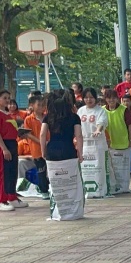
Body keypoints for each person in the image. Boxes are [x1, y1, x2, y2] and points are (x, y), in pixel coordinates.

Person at [40, 89, 85, 220]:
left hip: (52, 151)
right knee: (71, 182)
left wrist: (43, 151)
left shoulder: (48, 117)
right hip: (68, 150)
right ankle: (73, 211)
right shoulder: (74, 117)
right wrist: (80, 153)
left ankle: (58, 212)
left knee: (56, 183)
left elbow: (42, 134)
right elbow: (79, 136)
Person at [0, 89, 24, 211]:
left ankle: (11, 197)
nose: (7, 100)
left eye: (8, 98)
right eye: (5, 98)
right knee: (2, 173)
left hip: (12, 143)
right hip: (2, 144)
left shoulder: (7, 113)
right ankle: (0, 200)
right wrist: (4, 149)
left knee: (12, 171)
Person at [77, 88, 111, 199]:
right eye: (86, 97)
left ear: (95, 98)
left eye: (91, 97)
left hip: (98, 143)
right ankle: (86, 190)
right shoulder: (80, 111)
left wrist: (98, 130)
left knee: (99, 167)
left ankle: (101, 190)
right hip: (84, 143)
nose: (88, 100)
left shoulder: (101, 111)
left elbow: (101, 122)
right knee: (86, 168)